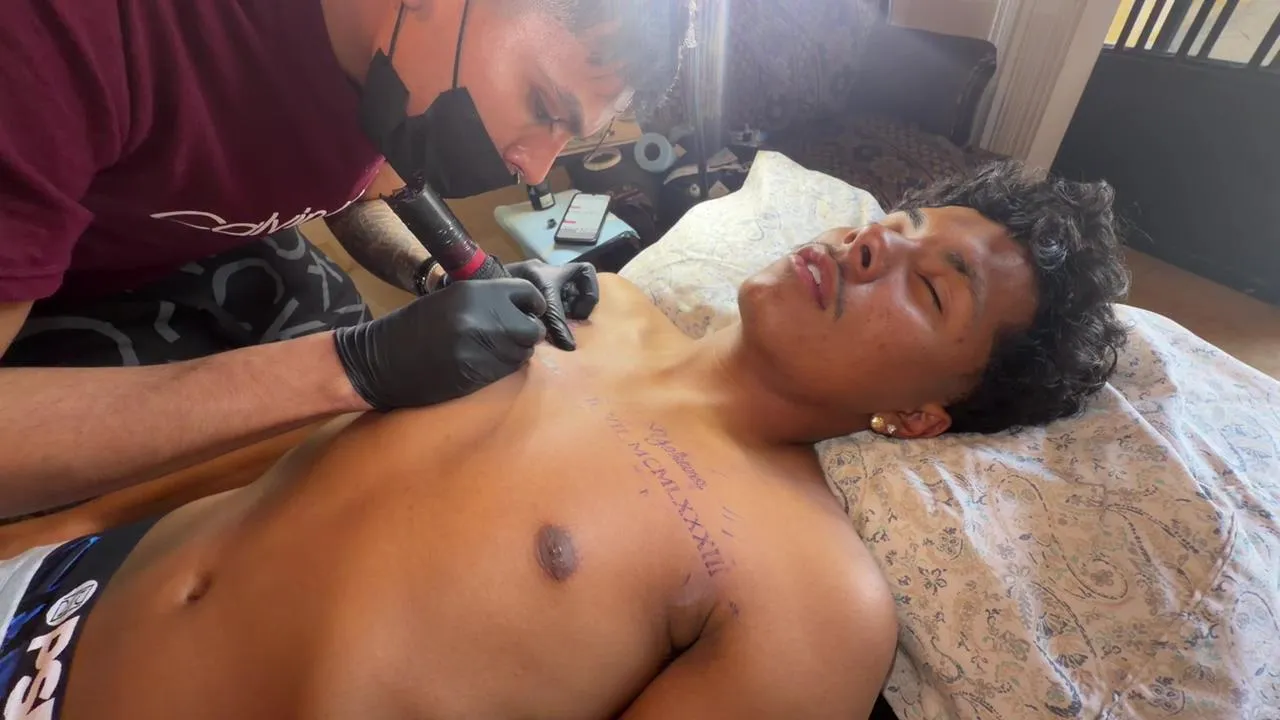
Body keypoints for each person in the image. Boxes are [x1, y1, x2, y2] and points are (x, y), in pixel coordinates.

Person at [0, 164, 1131, 719]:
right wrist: (62, 523)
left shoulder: (818, 598)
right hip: (52, 596)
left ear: (919, 417)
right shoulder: (591, 304)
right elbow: (317, 429)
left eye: (931, 287)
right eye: (895, 223)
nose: (870, 246)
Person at [0, 0, 688, 518]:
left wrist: (461, 277)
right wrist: (352, 365)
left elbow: (355, 191)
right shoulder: (73, 33)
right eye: (542, 104)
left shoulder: (391, 65)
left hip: (176, 249)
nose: (536, 168)